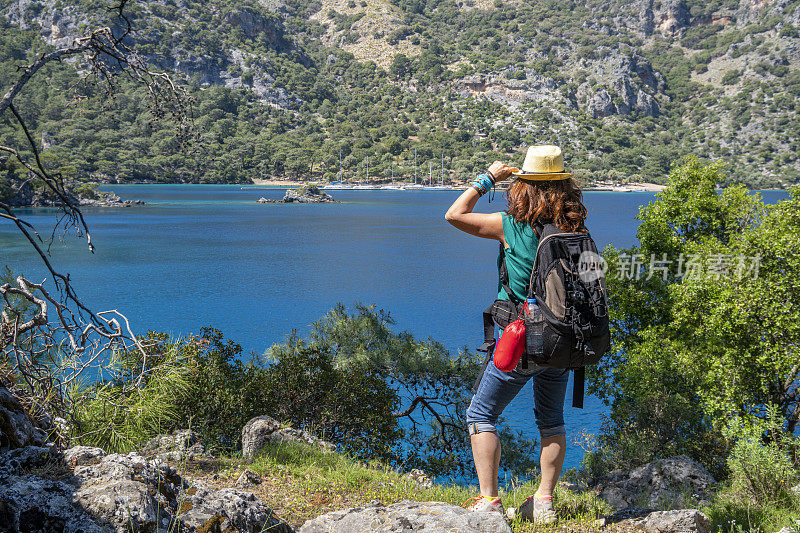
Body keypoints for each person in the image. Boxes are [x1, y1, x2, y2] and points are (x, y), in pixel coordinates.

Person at [444, 145, 588, 524]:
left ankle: (489, 501)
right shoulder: (575, 230)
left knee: (480, 413)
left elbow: (454, 215)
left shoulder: (510, 226)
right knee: (551, 420)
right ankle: (544, 503)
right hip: (562, 341)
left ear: (523, 186)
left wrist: (487, 178)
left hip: (523, 340)